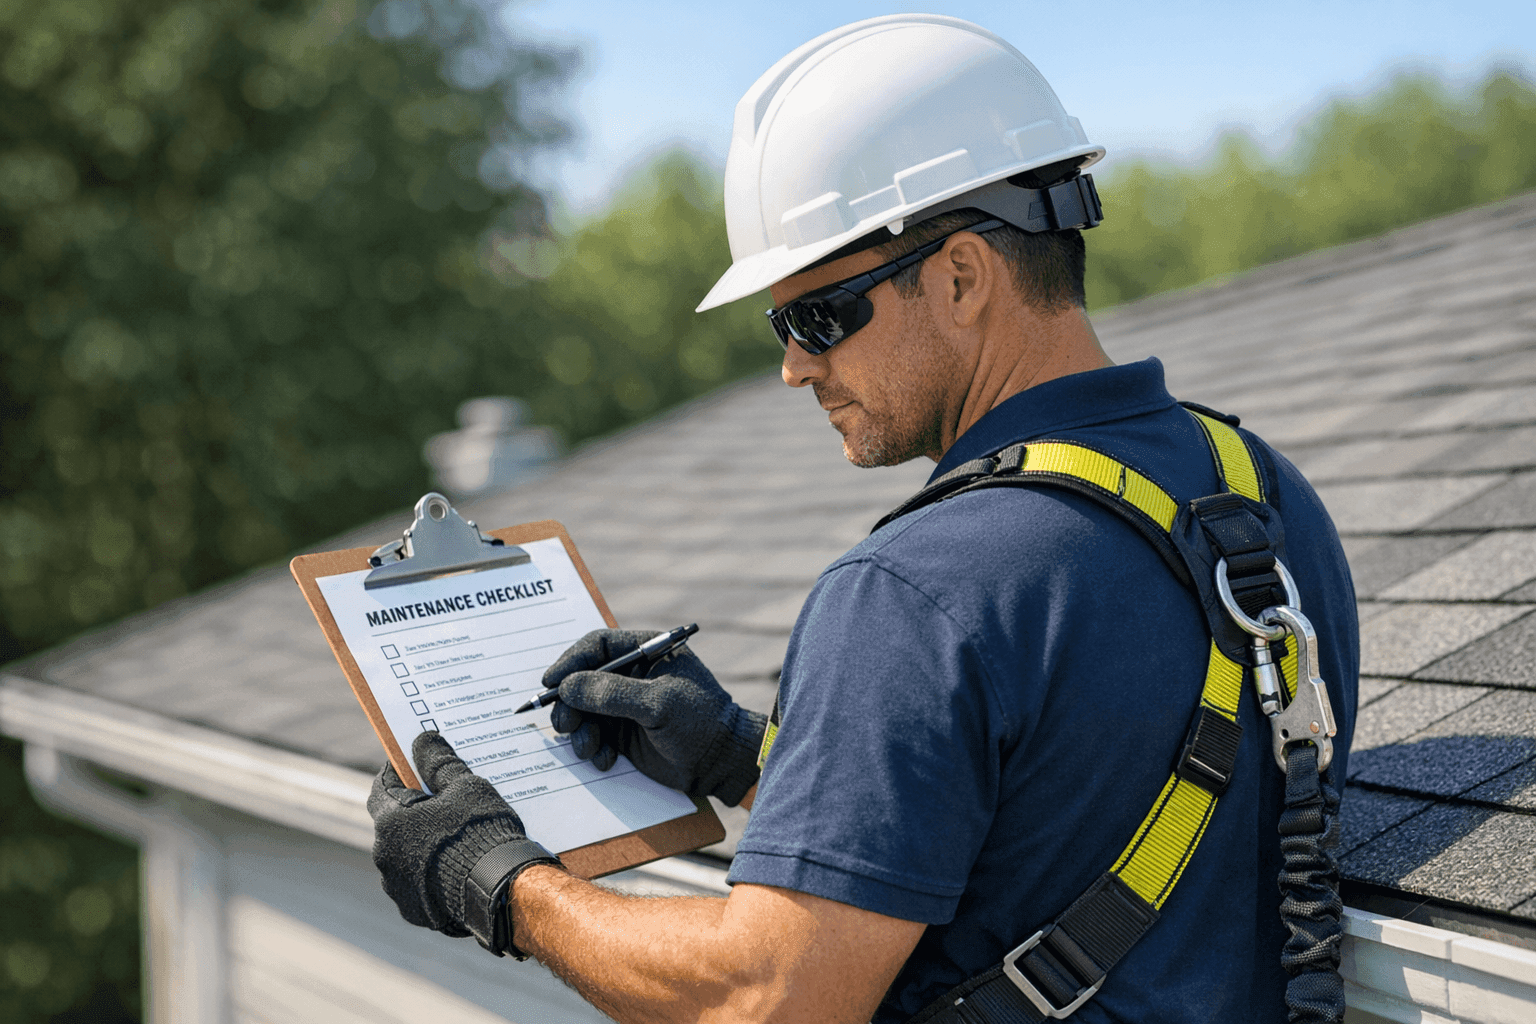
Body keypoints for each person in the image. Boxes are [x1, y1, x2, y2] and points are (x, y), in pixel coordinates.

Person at [368, 15, 1359, 1024]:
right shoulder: (1265, 495)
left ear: (962, 276)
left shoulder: (916, 590)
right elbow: (1058, 812)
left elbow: (767, 995)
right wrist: (751, 758)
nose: (795, 364)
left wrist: (498, 880)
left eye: (817, 316)